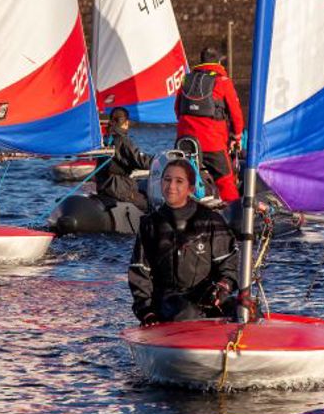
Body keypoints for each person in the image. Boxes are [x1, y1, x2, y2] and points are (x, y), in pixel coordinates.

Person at [129, 159, 240, 324]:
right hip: (169, 301)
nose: (171, 186)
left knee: (244, 310)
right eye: (167, 180)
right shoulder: (150, 224)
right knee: (187, 313)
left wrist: (224, 286)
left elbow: (229, 264)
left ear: (191, 188)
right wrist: (146, 311)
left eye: (179, 181)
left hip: (207, 296)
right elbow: (139, 272)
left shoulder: (210, 220)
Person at [175, 45, 244, 204]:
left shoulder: (186, 79)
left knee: (182, 177)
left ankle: (179, 208)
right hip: (213, 143)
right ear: (218, 62)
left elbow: (177, 110)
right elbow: (236, 114)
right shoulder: (223, 82)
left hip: (185, 141)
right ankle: (233, 215)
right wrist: (237, 136)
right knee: (226, 180)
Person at [96, 107, 151, 209]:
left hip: (104, 186)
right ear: (126, 123)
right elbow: (141, 161)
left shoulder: (105, 138)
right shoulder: (122, 140)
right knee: (149, 204)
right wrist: (159, 160)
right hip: (118, 188)